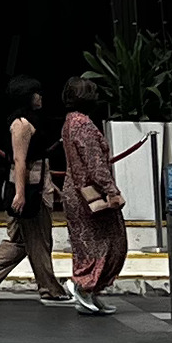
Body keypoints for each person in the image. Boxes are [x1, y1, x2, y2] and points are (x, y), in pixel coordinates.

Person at [0, 78, 66, 301]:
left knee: (22, 240)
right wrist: (21, 194)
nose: (40, 97)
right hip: (30, 188)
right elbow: (20, 161)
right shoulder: (21, 124)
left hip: (36, 183)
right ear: (26, 97)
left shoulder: (28, 121)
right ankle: (50, 289)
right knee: (39, 240)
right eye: (36, 93)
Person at [54, 75, 128, 316]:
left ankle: (91, 290)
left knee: (89, 244)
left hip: (75, 191)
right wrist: (112, 191)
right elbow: (95, 165)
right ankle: (84, 285)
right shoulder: (84, 125)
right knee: (111, 243)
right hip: (89, 193)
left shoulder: (70, 122)